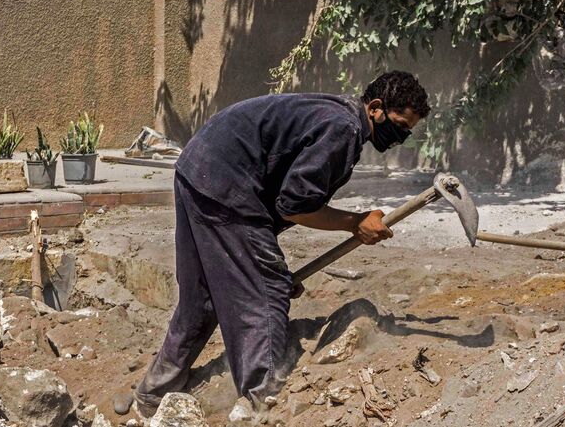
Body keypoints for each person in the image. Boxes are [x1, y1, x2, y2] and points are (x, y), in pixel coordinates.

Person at [134, 71, 431, 418]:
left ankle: (154, 395)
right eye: (400, 125)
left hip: (197, 169)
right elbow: (296, 205)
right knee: (268, 293)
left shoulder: (335, 114)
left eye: (408, 131)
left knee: (201, 299)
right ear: (377, 108)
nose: (401, 137)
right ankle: (262, 402)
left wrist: (260, 264)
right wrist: (354, 222)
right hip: (225, 184)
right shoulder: (344, 129)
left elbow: (279, 198)